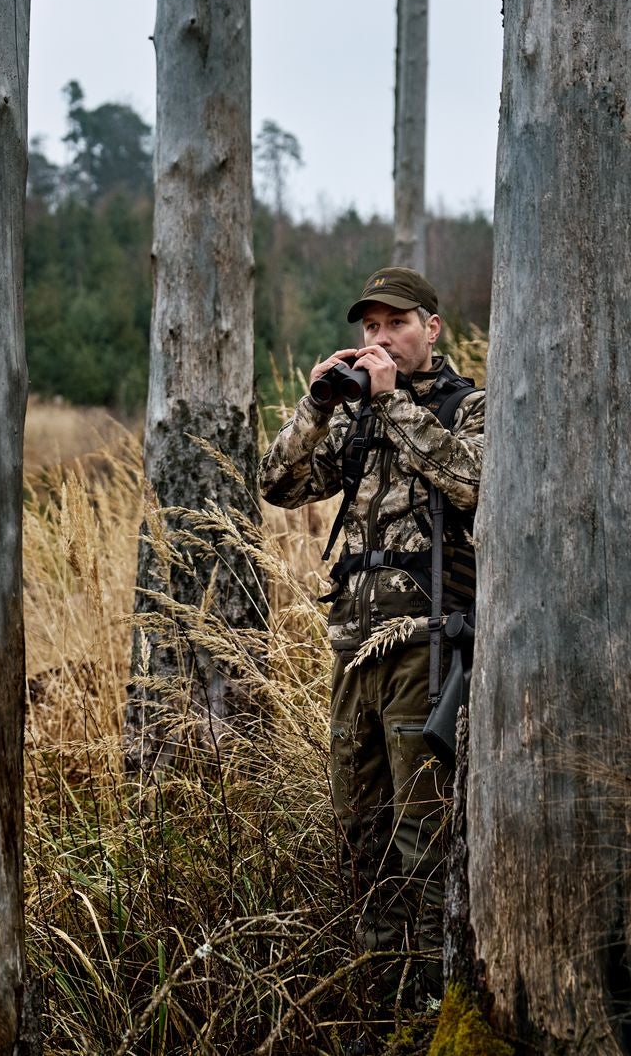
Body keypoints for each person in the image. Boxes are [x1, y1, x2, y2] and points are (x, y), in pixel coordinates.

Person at [259, 265, 484, 988]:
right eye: (370, 327)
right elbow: (278, 484)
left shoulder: (465, 405)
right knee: (363, 838)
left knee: (425, 836)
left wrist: (394, 405)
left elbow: (475, 481)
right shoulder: (353, 418)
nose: (380, 339)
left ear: (432, 328)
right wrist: (318, 406)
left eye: (396, 324)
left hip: (428, 642)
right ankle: (376, 993)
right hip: (352, 650)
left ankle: (427, 1001)